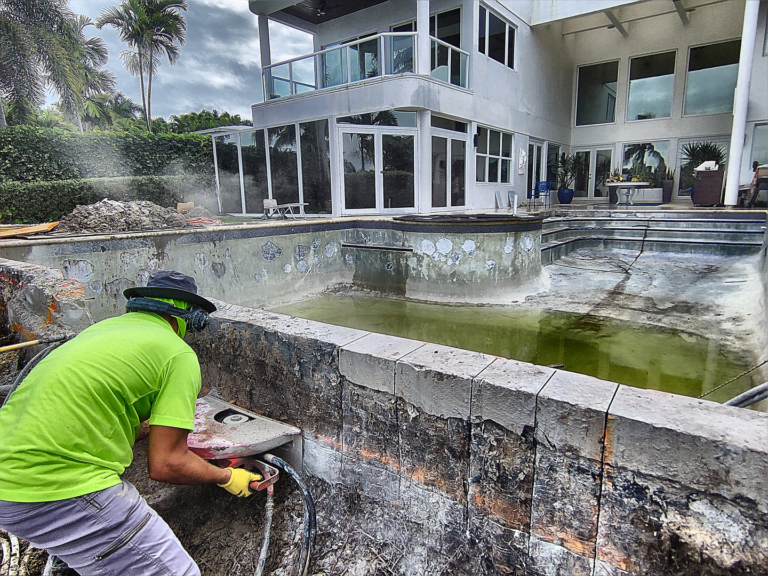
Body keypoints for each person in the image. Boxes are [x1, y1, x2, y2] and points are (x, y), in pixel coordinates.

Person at [0, 270, 262, 576]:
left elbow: (92, 416)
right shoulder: (176, 353)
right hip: (57, 485)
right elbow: (166, 464)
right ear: (190, 319)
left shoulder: (99, 332)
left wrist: (151, 427)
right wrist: (227, 478)